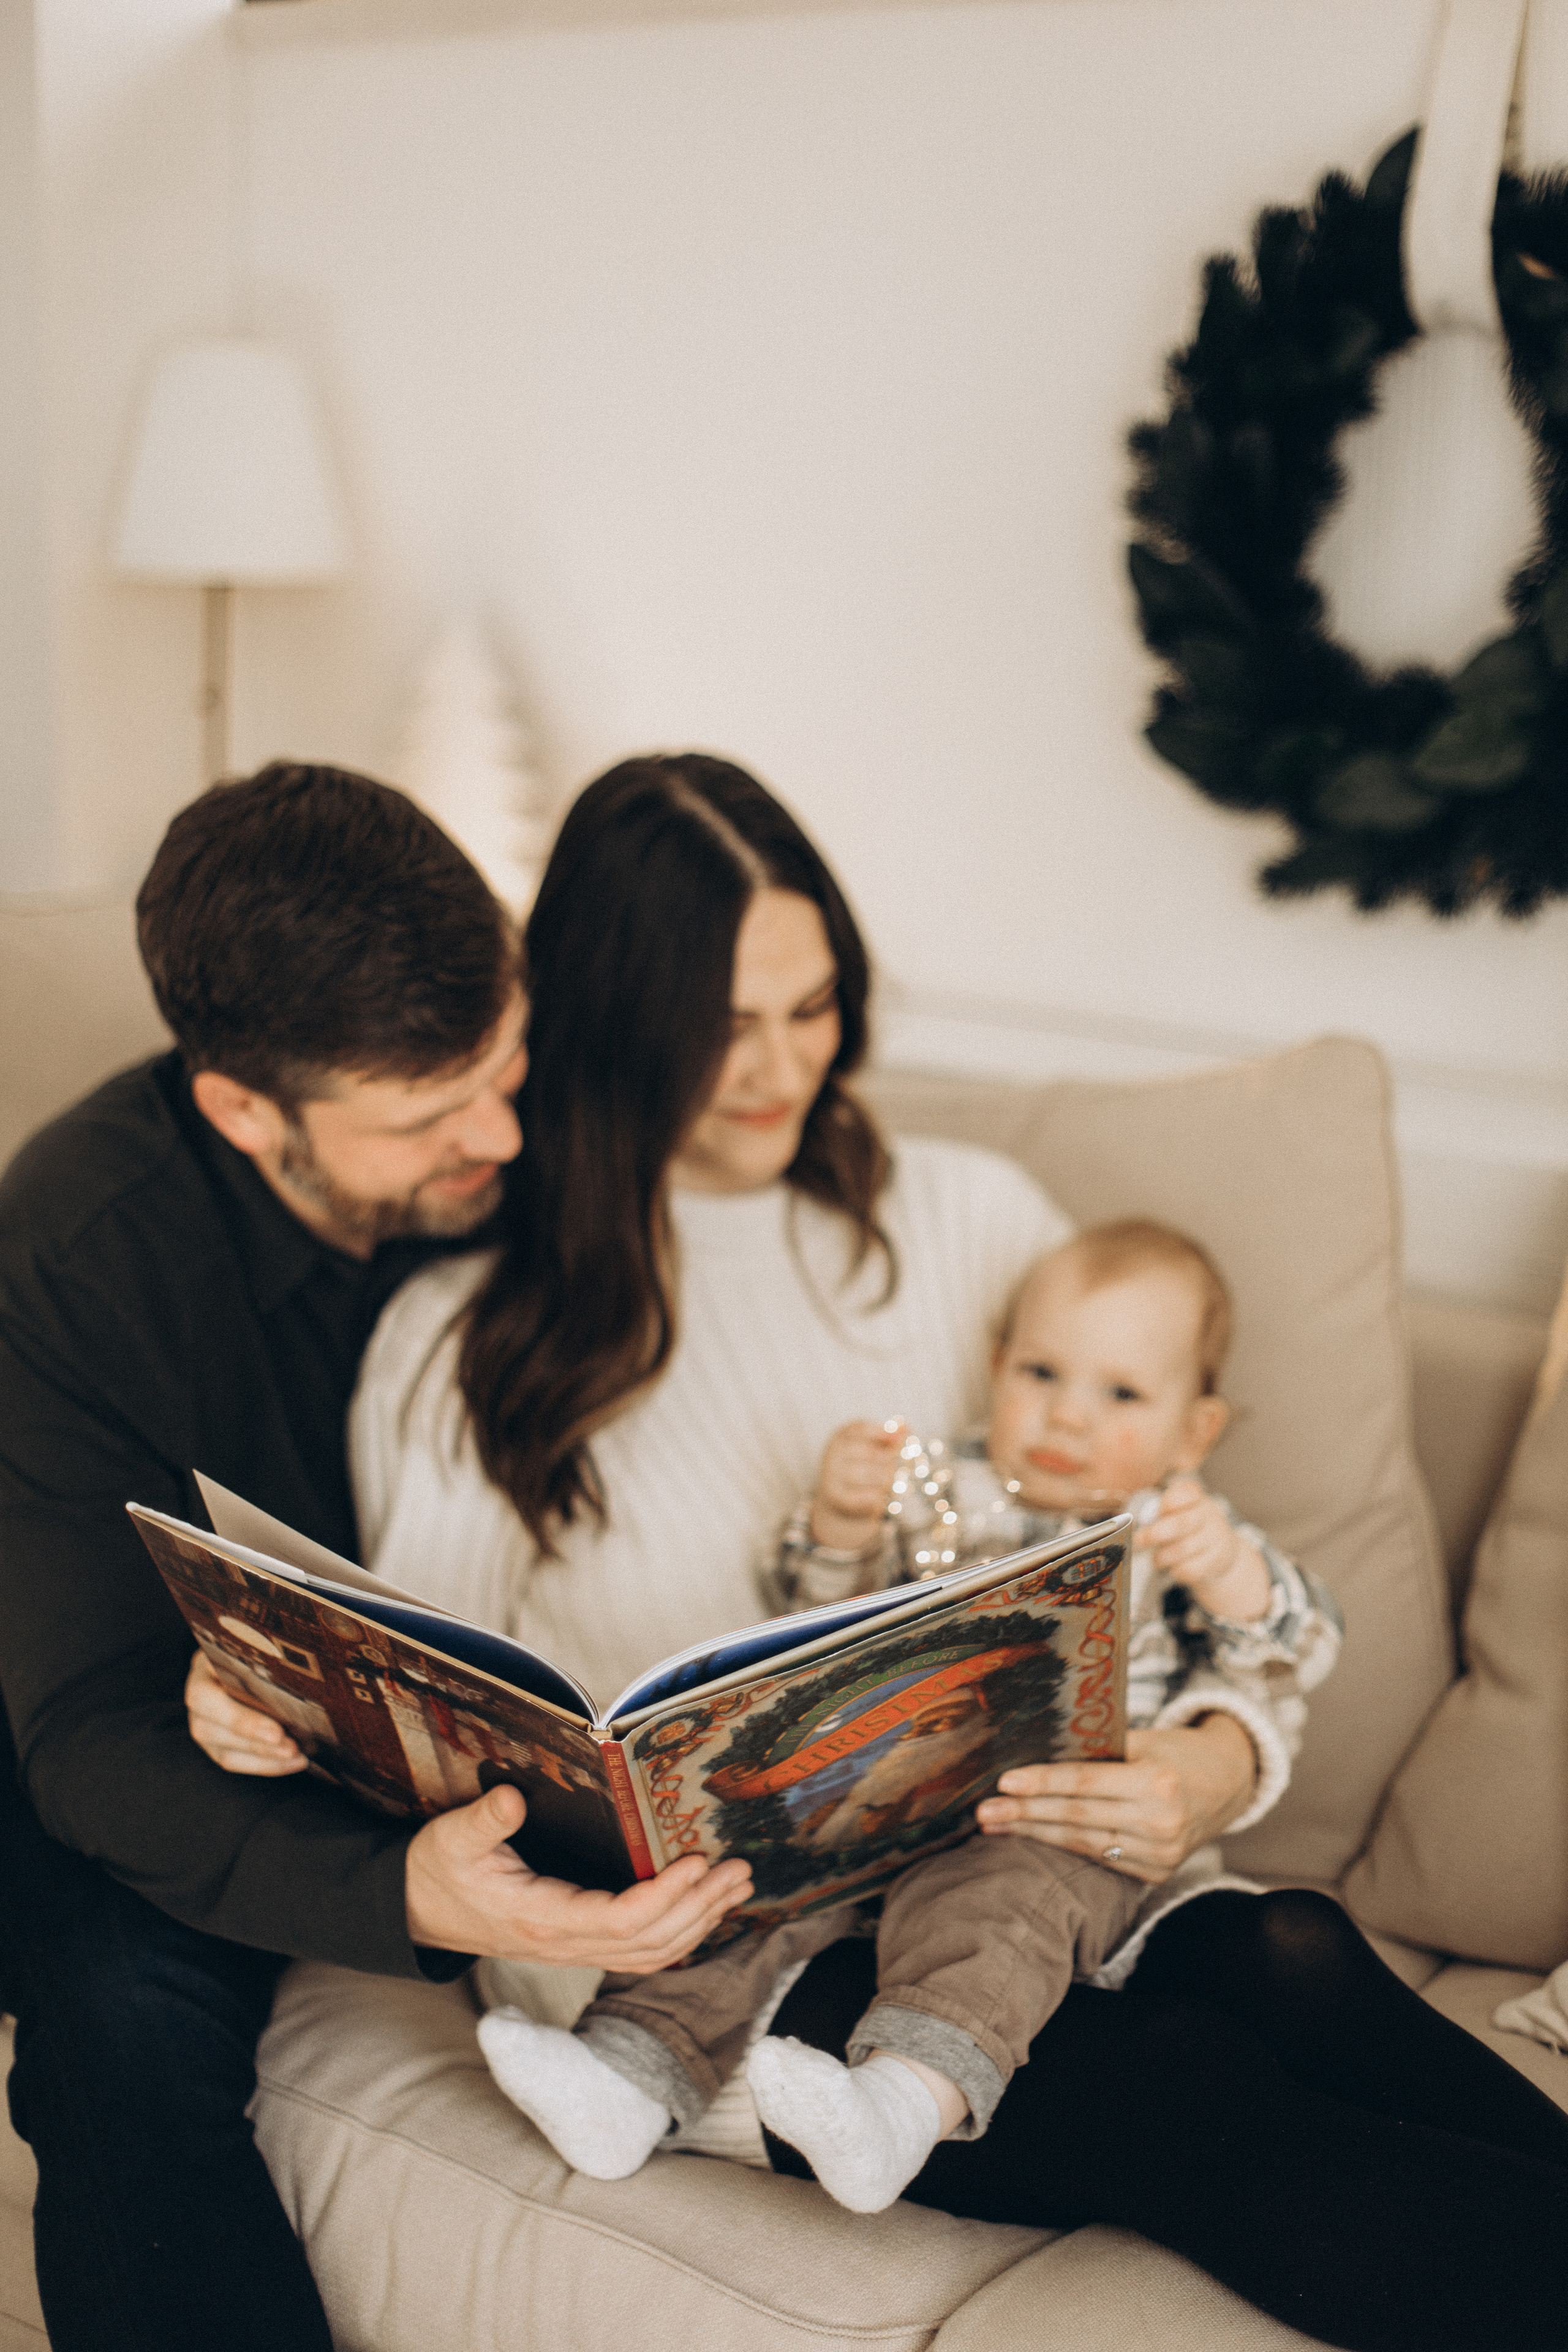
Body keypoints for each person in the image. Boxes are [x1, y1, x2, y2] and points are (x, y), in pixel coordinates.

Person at [189, 753, 1568, 2352]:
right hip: (704, 1971)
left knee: (1293, 1942)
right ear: (610, 1016)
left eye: (814, 1005)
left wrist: (1197, 1771)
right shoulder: (463, 1343)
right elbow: (432, 1729)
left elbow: (1135, 1562)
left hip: (995, 1874)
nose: (781, 1070)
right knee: (1181, 2097)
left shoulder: (973, 1220)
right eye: (723, 1024)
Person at [0, 762, 750, 2352]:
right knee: (117, 2030)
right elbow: (82, 1735)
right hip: (138, 1717)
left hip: (479, 1717)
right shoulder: (77, 1255)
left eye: (507, 1060)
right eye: (425, 1113)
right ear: (243, 1109)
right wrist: (400, 1892)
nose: (499, 1130)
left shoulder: (544, 1147)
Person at [477, 1220, 1341, 2212]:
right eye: (1042, 1373)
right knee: (741, 1879)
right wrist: (843, 1524)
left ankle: (903, 2101)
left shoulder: (1180, 1533)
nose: (1067, 1417)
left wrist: (1231, 1572)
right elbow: (820, 1626)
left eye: (1123, 1395)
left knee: (996, 1905)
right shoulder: (940, 1493)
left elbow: (1297, 1649)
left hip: (1060, 1830)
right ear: (994, 1366)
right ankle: (628, 2074)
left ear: (1196, 1431)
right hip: (887, 1797)